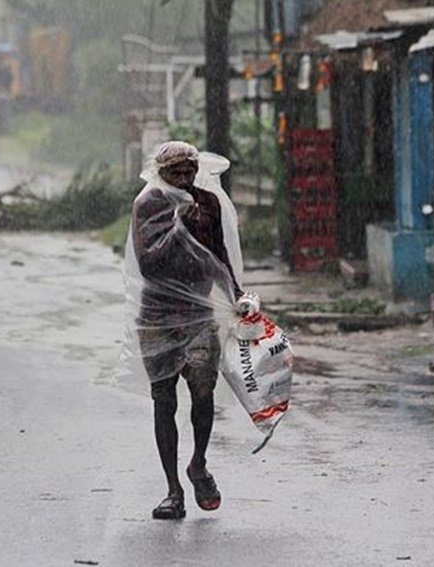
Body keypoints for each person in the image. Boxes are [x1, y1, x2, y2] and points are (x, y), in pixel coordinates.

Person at [126, 141, 245, 520]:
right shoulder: (149, 205)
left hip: (198, 313)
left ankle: (198, 463)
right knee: (164, 399)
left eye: (189, 172)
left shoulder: (207, 203)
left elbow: (218, 257)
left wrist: (237, 294)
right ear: (160, 173)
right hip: (158, 318)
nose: (184, 179)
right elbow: (149, 263)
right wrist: (180, 226)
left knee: (203, 392)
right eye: (175, 173)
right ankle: (173, 490)